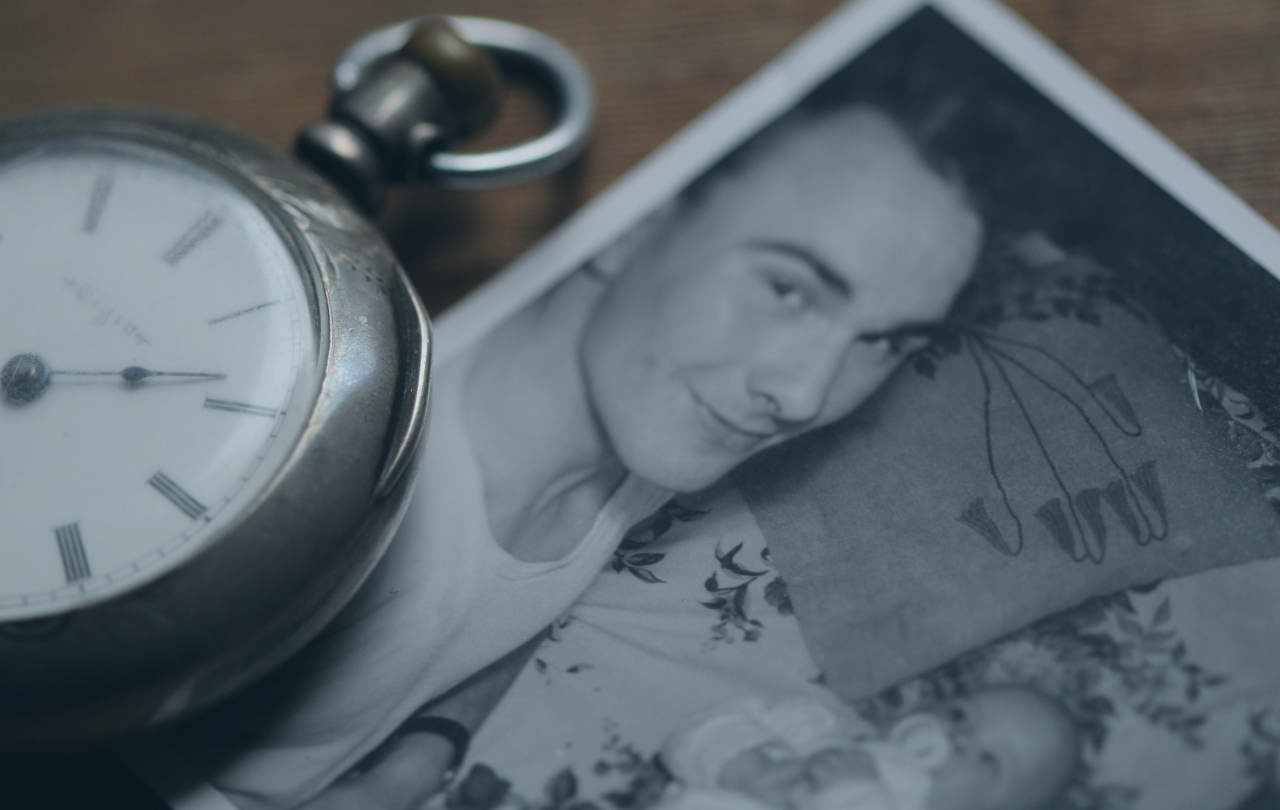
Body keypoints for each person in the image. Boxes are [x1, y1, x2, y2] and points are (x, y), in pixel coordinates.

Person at [170, 104, 983, 810]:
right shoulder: (352, 473)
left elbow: (510, 600)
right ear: (634, 220)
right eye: (789, 289)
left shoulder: (659, 431)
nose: (804, 395)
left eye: (884, 342)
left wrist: (418, 761)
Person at [658, 687, 1081, 810]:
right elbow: (690, 736)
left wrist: (853, 796)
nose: (958, 739)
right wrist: (743, 766)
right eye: (959, 716)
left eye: (989, 761)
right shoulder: (816, 725)